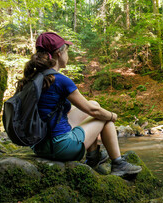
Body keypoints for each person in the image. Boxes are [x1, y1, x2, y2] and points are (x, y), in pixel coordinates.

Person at [17, 32, 141, 176]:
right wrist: (112, 116)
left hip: (38, 145)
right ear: (59, 53)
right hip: (60, 148)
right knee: (104, 119)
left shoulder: (33, 78)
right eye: (67, 50)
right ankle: (118, 163)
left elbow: (88, 107)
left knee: (94, 103)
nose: (67, 55)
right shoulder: (60, 80)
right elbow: (93, 111)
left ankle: (94, 157)